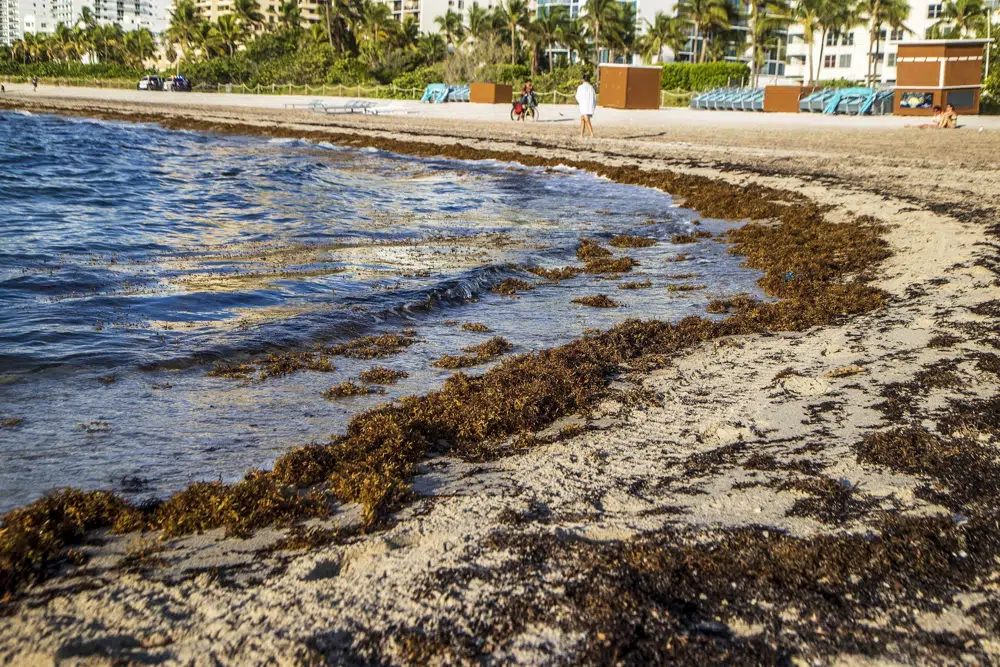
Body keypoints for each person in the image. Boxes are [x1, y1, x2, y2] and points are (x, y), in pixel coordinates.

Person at [576, 73, 596, 138]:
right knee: (582, 119)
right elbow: (594, 98)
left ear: (583, 80)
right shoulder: (591, 88)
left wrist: (581, 102)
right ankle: (581, 134)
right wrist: (593, 106)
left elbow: (577, 96)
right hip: (589, 105)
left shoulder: (580, 87)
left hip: (583, 105)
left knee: (586, 119)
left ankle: (591, 133)